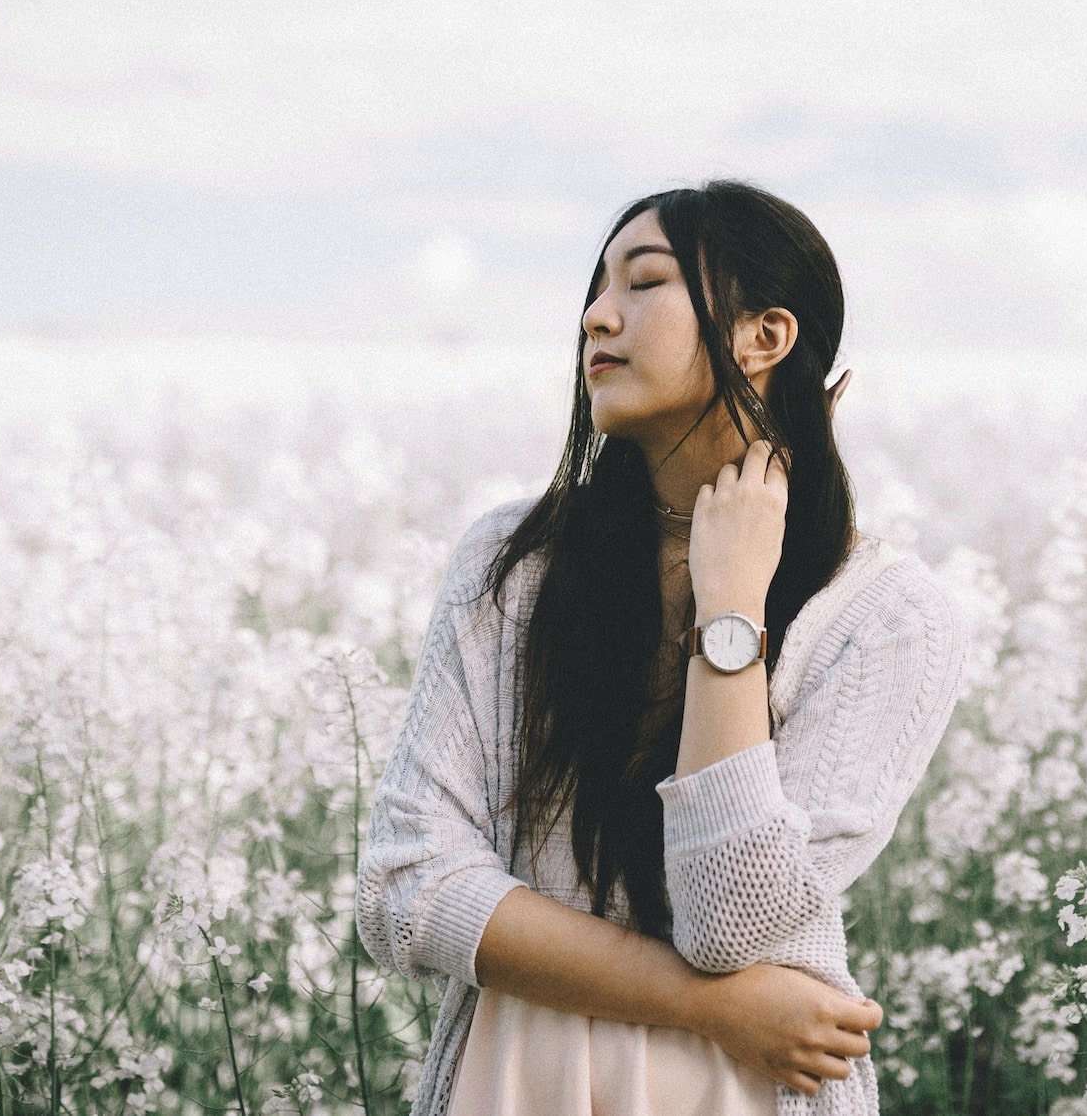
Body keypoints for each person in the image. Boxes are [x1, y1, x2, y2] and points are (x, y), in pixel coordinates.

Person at [356, 179, 972, 1115]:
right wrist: (714, 1008)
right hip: (519, 1080)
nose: (597, 318)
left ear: (765, 337)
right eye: (597, 289)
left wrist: (731, 607)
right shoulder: (513, 565)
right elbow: (406, 886)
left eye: (644, 284)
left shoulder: (888, 617)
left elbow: (734, 922)